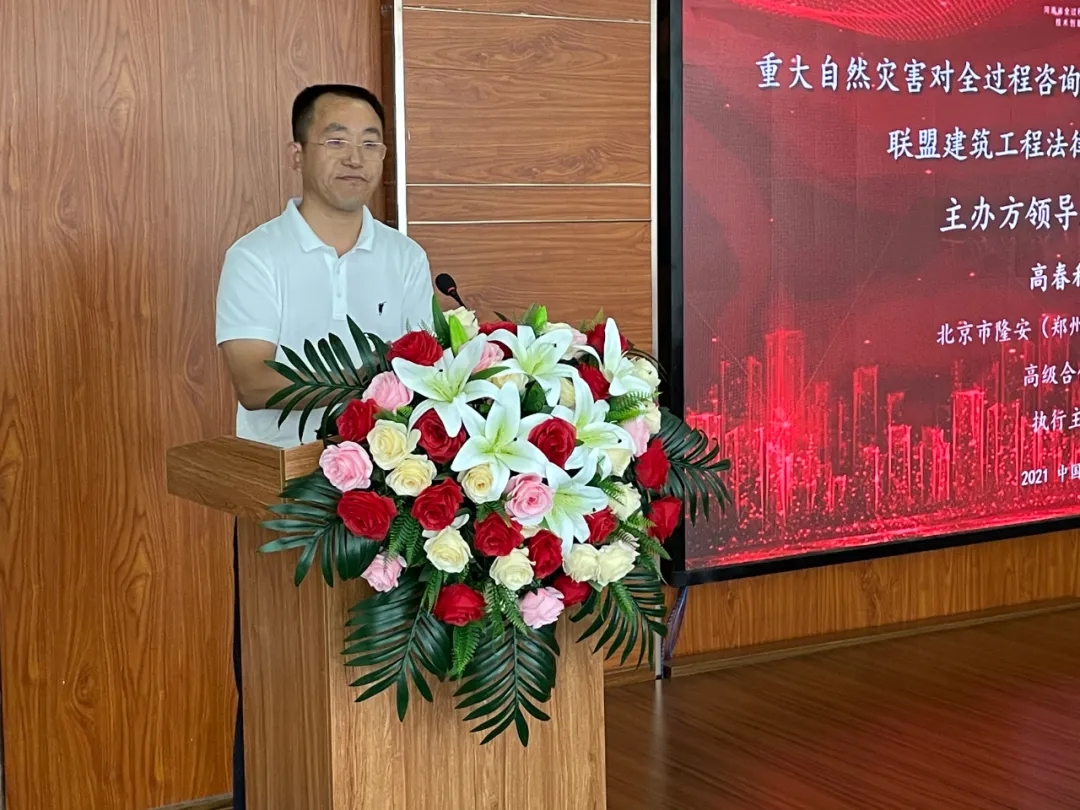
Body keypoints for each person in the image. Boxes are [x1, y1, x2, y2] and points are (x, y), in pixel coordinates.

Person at [214, 84, 434, 809]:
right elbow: (253, 381)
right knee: (281, 677)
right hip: (288, 498)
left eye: (371, 142)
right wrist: (363, 401)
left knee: (377, 668)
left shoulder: (404, 256)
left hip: (393, 493)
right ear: (298, 153)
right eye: (336, 139)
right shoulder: (256, 256)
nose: (356, 157)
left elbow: (422, 374)